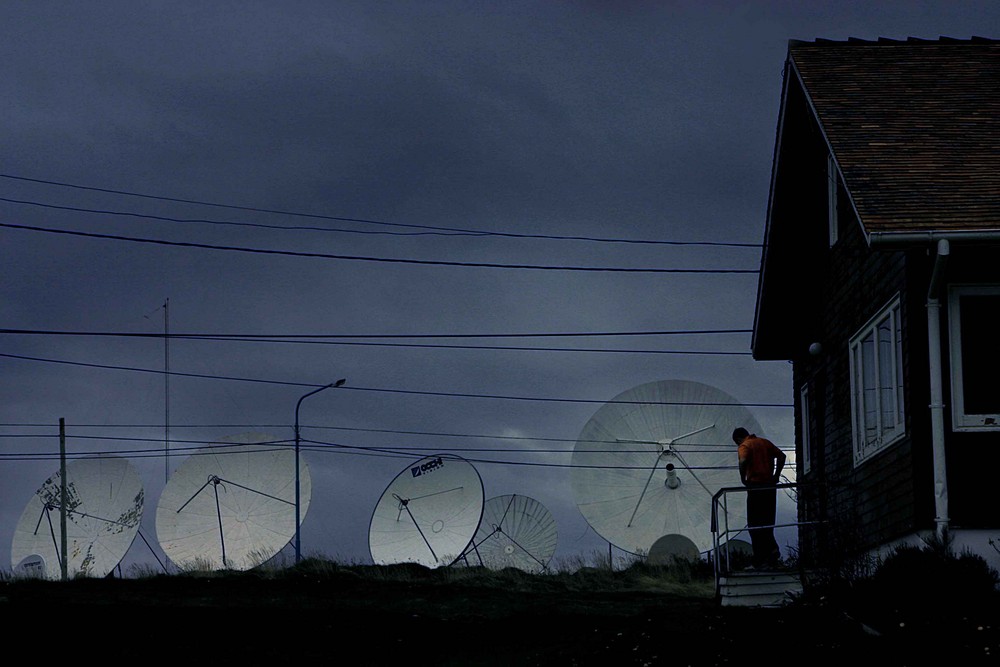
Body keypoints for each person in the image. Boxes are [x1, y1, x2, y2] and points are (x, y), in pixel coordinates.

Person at [732, 427, 786, 568]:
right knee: (767, 522)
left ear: (738, 439)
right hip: (769, 487)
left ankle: (759, 560)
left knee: (754, 525)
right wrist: (776, 476)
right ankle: (772, 554)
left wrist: (743, 479)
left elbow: (743, 461)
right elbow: (782, 456)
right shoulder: (765, 442)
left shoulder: (745, 446)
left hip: (755, 487)